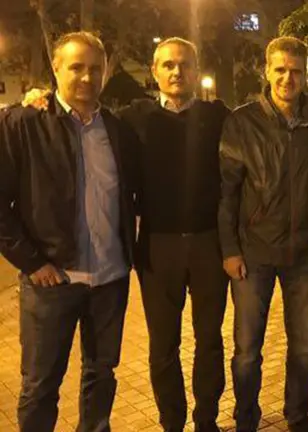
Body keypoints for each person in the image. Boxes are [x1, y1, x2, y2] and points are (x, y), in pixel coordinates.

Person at [21, 37, 232, 432]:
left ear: (195, 68)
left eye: (185, 64)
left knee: (210, 341)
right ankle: (172, 422)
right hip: (156, 247)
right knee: (162, 347)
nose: (177, 71)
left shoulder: (218, 115)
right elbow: (74, 111)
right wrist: (38, 96)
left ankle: (207, 420)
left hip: (208, 244)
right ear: (154, 71)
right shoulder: (133, 118)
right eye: (168, 64)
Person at [0, 31, 138, 432]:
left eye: (95, 68)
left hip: (110, 281)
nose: (86, 77)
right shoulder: (23, 123)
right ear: (56, 68)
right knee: (41, 387)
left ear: (107, 72)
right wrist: (32, 262)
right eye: (76, 67)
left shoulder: (117, 130)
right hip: (52, 283)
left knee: (102, 377)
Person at [218, 36, 308, 432]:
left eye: (296, 71)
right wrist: (230, 249)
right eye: (280, 69)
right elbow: (227, 193)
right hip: (253, 254)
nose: (288, 78)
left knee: (303, 348)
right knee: (247, 351)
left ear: (306, 75)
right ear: (267, 71)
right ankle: (246, 418)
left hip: (303, 254)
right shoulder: (241, 121)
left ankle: (297, 414)